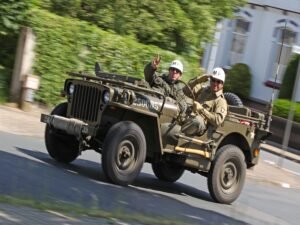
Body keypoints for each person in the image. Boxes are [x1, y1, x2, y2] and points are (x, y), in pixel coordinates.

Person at [181, 67, 228, 136]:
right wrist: (197, 80)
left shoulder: (221, 101)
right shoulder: (203, 90)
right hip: (189, 117)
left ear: (222, 84)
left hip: (201, 126)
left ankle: (179, 134)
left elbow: (218, 120)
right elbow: (185, 90)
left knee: (197, 120)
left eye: (218, 81)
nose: (215, 83)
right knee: (179, 106)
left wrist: (201, 109)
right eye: (213, 80)